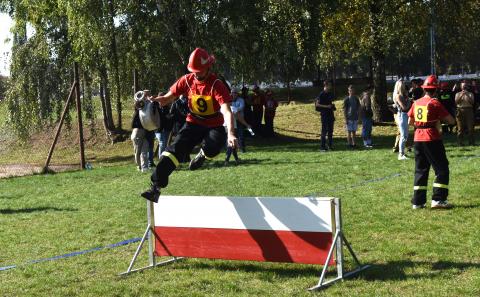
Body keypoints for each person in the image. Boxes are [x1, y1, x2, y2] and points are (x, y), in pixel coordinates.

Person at [141, 48, 237, 203]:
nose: (197, 74)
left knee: (213, 148)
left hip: (214, 125)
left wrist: (231, 133)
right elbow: (167, 98)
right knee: (172, 152)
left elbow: (226, 111)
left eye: (200, 71)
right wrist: (155, 100)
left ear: (208, 68)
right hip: (193, 123)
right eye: (194, 71)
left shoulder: (217, 84)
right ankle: (155, 188)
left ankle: (202, 155)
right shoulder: (186, 80)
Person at [408, 75, 456, 209]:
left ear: (424, 89)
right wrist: (436, 121)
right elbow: (451, 121)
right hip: (432, 138)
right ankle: (438, 199)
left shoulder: (416, 102)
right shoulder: (435, 103)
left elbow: (410, 122)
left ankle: (418, 202)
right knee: (441, 169)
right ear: (435, 90)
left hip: (418, 138)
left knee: (420, 170)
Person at [393, 79, 411, 160]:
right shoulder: (398, 96)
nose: (404, 87)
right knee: (403, 136)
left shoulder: (403, 95)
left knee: (405, 135)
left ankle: (402, 153)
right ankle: (400, 154)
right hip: (402, 115)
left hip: (405, 115)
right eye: (403, 86)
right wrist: (410, 103)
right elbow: (404, 108)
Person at [315, 80, 335, 151]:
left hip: (330, 115)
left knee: (330, 131)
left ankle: (330, 145)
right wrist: (326, 106)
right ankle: (322, 147)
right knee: (324, 131)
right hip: (324, 115)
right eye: (329, 85)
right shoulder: (321, 94)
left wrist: (332, 106)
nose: (330, 86)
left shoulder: (330, 93)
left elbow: (331, 102)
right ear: (326, 85)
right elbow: (317, 104)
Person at [131, 98, 149, 172]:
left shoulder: (137, 113)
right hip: (137, 132)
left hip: (141, 132)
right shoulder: (138, 113)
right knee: (139, 151)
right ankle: (140, 167)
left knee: (143, 150)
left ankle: (144, 167)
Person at [455, 81, 475, 146]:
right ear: (461, 87)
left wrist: (467, 95)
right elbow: (456, 102)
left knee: (470, 128)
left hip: (469, 110)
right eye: (463, 86)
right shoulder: (457, 94)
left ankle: (471, 142)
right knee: (460, 128)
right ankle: (460, 143)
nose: (464, 87)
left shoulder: (470, 94)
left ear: (467, 87)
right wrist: (461, 95)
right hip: (460, 110)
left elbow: (472, 102)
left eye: (465, 86)